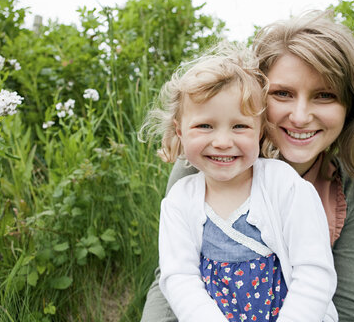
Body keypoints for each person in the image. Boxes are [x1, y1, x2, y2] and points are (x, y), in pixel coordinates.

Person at [141, 10, 354, 322]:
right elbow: (171, 279)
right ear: (257, 98)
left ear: (350, 106)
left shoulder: (350, 190)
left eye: (325, 95)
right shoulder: (203, 167)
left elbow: (351, 308)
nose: (301, 116)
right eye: (282, 93)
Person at [140, 41, 338, 322]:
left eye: (240, 126)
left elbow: (314, 271)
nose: (222, 142)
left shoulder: (284, 185)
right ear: (180, 131)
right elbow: (179, 277)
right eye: (204, 125)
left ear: (260, 131)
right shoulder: (179, 201)